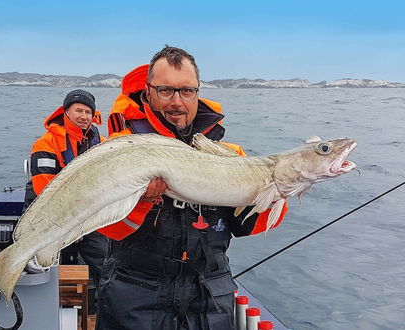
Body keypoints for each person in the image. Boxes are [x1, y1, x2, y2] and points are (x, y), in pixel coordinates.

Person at [96, 46, 288, 329]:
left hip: (208, 299)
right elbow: (105, 228)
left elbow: (247, 226)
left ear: (197, 92)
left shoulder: (228, 154)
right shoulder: (121, 149)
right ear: (148, 91)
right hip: (135, 295)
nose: (177, 102)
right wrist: (143, 201)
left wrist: (278, 193)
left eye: (187, 91)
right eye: (165, 90)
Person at [23, 89, 108, 285]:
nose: (84, 116)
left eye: (88, 112)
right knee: (44, 269)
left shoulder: (101, 143)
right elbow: (44, 191)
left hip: (87, 217)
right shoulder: (46, 143)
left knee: (107, 266)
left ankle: (102, 308)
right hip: (47, 218)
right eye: (79, 110)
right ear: (66, 112)